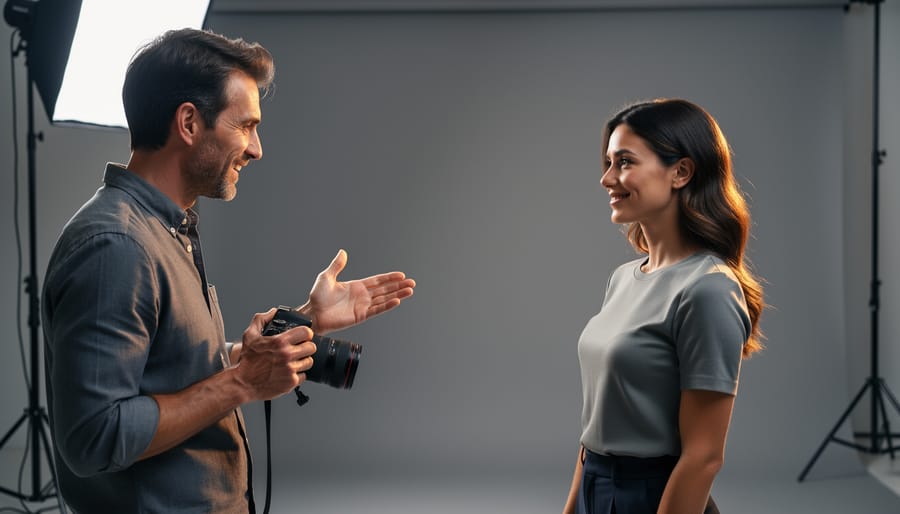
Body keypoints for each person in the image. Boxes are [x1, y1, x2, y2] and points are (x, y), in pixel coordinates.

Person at [41, 28, 415, 514]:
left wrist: (304, 322)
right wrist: (243, 382)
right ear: (189, 123)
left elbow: (169, 371)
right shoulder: (117, 246)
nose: (257, 149)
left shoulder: (166, 228)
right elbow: (94, 437)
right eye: (246, 126)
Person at [562, 99, 764, 514]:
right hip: (595, 488)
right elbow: (594, 433)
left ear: (681, 172)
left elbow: (704, 457)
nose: (606, 178)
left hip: (655, 498)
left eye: (624, 162)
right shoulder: (622, 278)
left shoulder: (708, 289)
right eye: (608, 162)